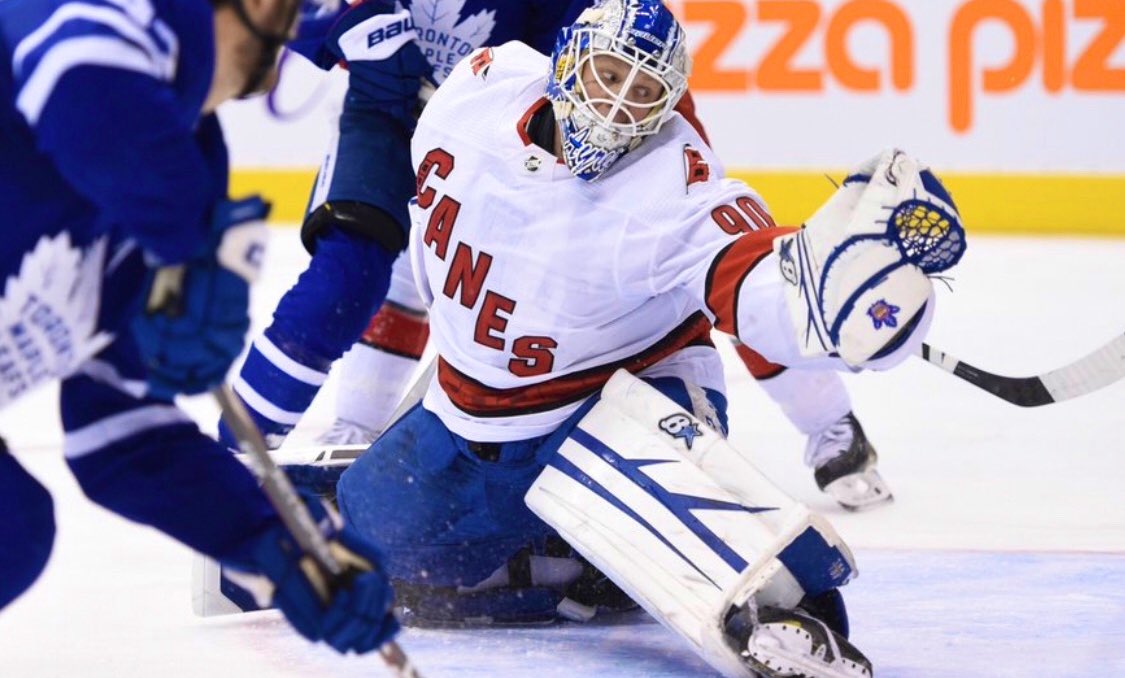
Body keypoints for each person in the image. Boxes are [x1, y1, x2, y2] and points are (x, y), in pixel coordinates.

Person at [333, 0, 965, 675]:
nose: (616, 109)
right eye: (607, 75)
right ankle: (571, 563)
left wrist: (836, 308)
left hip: (619, 397)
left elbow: (750, 278)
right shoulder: (480, 88)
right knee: (376, 537)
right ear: (567, 62)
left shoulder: (672, 182)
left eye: (643, 93)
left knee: (623, 462)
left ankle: (789, 608)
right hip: (477, 414)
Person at [228, 0, 895, 512]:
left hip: (511, 132)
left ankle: (827, 420)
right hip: (390, 109)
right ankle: (264, 443)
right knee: (358, 268)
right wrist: (347, 23)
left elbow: (630, 103)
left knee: (695, 262)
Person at [0, 0, 398, 654]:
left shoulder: (186, 179)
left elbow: (123, 434)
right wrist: (186, 244)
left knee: (11, 529)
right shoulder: (89, 31)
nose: (293, 29)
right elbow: (79, 70)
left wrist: (268, 537)